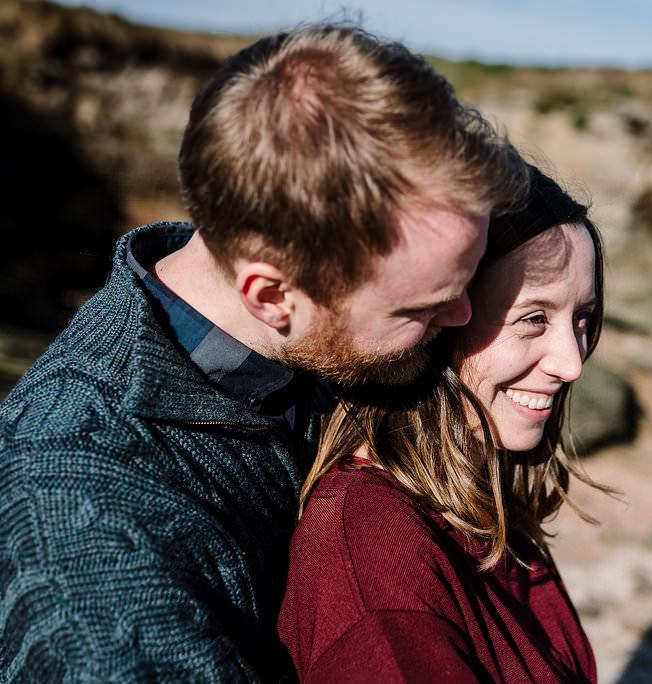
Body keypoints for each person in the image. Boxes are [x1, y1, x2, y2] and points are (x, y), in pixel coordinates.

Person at [0, 24, 526, 680]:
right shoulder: (81, 535)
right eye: (420, 308)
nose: (463, 318)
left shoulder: (302, 315)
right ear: (272, 295)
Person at [278, 165, 610, 682]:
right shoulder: (374, 560)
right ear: (434, 321)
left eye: (582, 317)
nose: (572, 363)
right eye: (533, 319)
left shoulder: (480, 500)